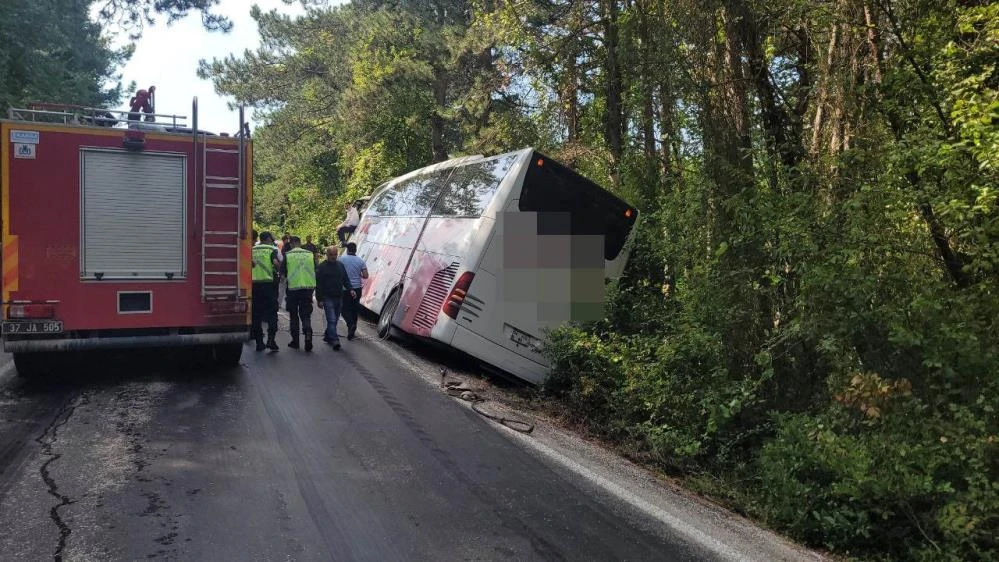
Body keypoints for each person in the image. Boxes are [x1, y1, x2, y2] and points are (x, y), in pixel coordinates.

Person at [282, 236, 317, 351]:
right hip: (307, 290)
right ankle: (307, 333)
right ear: (300, 243)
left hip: (293, 290)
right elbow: (316, 269)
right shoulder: (310, 254)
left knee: (293, 316)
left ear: (291, 244)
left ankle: (295, 342)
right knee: (305, 315)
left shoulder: (288, 255)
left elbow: (282, 274)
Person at [316, 246, 354, 350]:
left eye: (335, 254)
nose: (333, 257)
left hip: (339, 296)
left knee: (336, 319)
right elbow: (318, 285)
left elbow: (345, 279)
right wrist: (319, 299)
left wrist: (351, 289)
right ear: (327, 255)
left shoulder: (340, 265)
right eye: (331, 255)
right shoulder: (321, 267)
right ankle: (335, 339)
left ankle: (328, 335)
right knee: (331, 320)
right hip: (327, 297)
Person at [251, 232, 281, 352]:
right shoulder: (272, 250)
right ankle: (271, 340)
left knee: (256, 314)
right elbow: (275, 263)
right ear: (268, 239)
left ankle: (259, 342)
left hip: (255, 285)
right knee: (272, 313)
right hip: (269, 286)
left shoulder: (252, 249)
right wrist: (278, 269)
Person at [339, 242, 368, 340]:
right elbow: (366, 275)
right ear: (356, 250)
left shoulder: (341, 259)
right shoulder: (360, 261)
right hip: (357, 288)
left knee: (344, 309)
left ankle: (350, 325)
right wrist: (358, 273)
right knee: (354, 309)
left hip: (345, 288)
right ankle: (352, 330)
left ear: (347, 250)